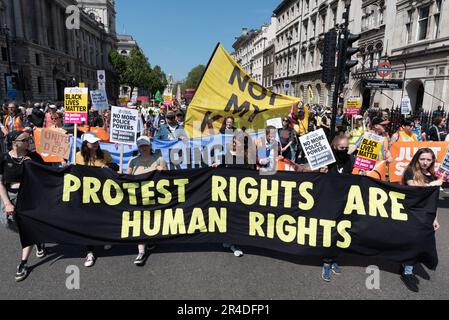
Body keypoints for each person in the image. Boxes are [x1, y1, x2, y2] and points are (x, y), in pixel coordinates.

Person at [0, 131, 47, 282]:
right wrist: (7, 203)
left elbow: (46, 176)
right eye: (25, 139)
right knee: (7, 222)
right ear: (15, 142)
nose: (29, 141)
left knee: (28, 228)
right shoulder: (4, 158)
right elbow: (0, 183)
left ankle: (23, 263)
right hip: (11, 195)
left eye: (29, 139)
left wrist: (32, 165)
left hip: (30, 196)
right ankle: (37, 239)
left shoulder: (34, 156)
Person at [401, 148, 442, 293]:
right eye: (422, 159)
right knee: (412, 241)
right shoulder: (410, 171)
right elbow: (414, 189)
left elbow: (433, 201)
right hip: (410, 214)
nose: (425, 162)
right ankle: (407, 271)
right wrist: (432, 185)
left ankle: (408, 266)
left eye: (428, 160)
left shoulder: (432, 176)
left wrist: (435, 218)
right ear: (417, 159)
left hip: (426, 216)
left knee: (421, 242)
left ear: (432, 161)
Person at [213, 130, 257, 257]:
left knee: (240, 217)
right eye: (232, 140)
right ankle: (233, 242)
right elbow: (221, 169)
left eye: (236, 141)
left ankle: (233, 240)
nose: (233, 142)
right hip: (228, 192)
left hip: (243, 193)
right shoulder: (226, 154)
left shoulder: (249, 157)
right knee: (229, 216)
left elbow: (253, 174)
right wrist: (217, 166)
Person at [75, 132, 114, 267]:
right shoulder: (78, 156)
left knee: (103, 217)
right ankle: (90, 251)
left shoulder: (105, 154)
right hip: (86, 193)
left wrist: (109, 167)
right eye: (93, 142)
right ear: (86, 144)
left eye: (97, 141)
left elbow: (116, 167)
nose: (96, 144)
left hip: (103, 192)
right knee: (87, 222)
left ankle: (104, 237)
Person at [126, 136, 167, 266]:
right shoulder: (132, 161)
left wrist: (162, 171)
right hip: (139, 196)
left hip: (155, 196)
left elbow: (169, 178)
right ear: (138, 148)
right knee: (139, 221)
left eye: (145, 145)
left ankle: (151, 239)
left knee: (152, 220)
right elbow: (127, 178)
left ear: (150, 146)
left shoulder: (159, 159)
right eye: (141, 146)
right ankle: (141, 252)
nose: (143, 148)